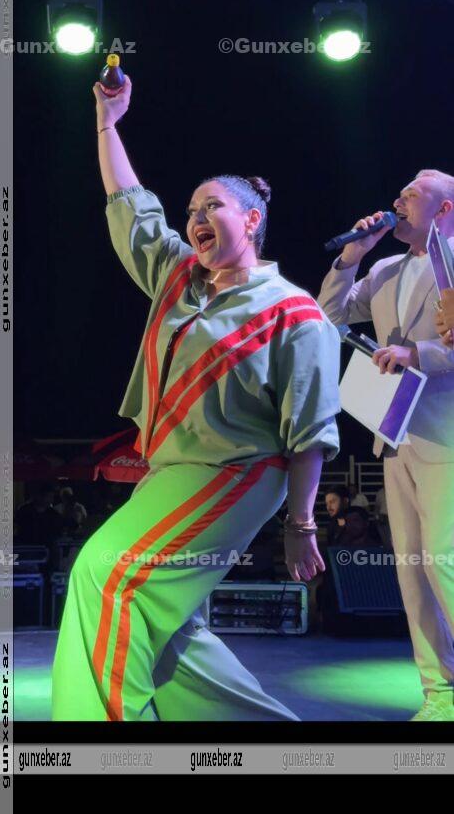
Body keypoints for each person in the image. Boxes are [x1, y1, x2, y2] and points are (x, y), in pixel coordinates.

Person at [51, 75, 341, 722]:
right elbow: (130, 204)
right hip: (169, 471)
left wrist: (300, 526)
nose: (195, 220)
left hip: (237, 474)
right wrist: (107, 122)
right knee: (167, 624)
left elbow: (310, 432)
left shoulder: (295, 313)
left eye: (212, 207)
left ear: (252, 219)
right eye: (190, 211)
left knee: (109, 575)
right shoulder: (178, 277)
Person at [318, 169, 454, 721]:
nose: (397, 201)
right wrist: (352, 256)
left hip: (446, 433)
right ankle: (439, 693)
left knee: (444, 561)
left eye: (411, 196)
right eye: (399, 193)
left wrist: (418, 354)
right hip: (394, 433)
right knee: (412, 570)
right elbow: (327, 317)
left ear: (444, 210)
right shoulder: (384, 268)